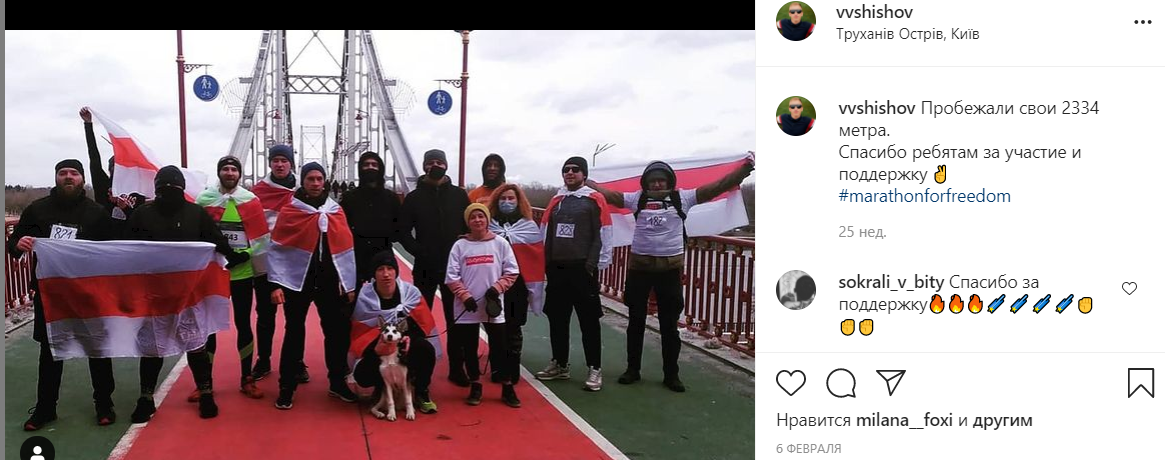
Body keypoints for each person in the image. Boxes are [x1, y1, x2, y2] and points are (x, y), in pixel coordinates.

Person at [588, 156, 754, 392]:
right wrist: (588, 182)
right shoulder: (637, 199)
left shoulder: (682, 198)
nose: (657, 184)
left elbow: (718, 187)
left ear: (669, 181)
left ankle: (671, 375)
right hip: (639, 270)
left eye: (661, 180)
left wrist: (744, 169)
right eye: (653, 181)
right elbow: (610, 195)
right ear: (646, 183)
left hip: (669, 271)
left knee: (669, 326)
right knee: (635, 323)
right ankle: (632, 370)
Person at [125, 166, 248, 421]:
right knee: (153, 349)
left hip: (189, 294)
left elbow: (216, 241)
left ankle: (205, 393)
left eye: (173, 187)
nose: (169, 191)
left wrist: (234, 256)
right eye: (165, 187)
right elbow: (125, 246)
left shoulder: (194, 213)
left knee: (196, 345)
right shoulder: (143, 214)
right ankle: (146, 398)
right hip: (155, 295)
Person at [8, 159, 116, 430]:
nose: (68, 177)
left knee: (97, 349)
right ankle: (45, 408)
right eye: (63, 173)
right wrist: (18, 243)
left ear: (82, 179)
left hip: (88, 294)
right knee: (50, 351)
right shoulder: (37, 210)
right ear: (56, 177)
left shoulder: (97, 212)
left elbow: (115, 249)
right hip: (51, 294)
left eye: (74, 173)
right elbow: (14, 243)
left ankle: (104, 404)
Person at [267, 162, 359, 409]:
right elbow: (277, 249)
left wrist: (348, 284)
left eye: (319, 179)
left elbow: (346, 249)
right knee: (294, 332)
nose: (316, 183)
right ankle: (287, 387)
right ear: (303, 181)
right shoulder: (291, 210)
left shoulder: (335, 211)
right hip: (298, 281)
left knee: (336, 332)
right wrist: (275, 284)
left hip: (329, 281)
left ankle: (337, 382)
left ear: (325, 181)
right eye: (311, 179)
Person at [534, 157, 612, 392]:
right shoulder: (556, 200)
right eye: (566, 170)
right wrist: (546, 263)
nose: (570, 173)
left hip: (582, 270)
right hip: (557, 269)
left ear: (584, 174)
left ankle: (595, 368)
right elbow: (545, 232)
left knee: (589, 321)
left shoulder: (594, 199)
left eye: (575, 169)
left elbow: (603, 232)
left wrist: (593, 264)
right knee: (557, 319)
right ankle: (560, 364)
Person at [194, 156, 269, 401]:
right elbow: (197, 235)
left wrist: (245, 254)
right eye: (225, 169)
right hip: (212, 272)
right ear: (219, 173)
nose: (229, 173)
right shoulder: (204, 200)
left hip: (242, 274)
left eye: (233, 169)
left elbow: (260, 238)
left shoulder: (251, 200)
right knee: (209, 328)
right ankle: (204, 383)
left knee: (244, 324)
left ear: (239, 173)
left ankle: (247, 378)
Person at [399, 149, 471, 385]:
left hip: (454, 269)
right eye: (431, 162)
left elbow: (470, 228)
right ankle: (416, 367)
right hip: (425, 267)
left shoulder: (459, 196)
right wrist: (420, 251)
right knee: (419, 318)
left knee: (455, 319)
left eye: (440, 162)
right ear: (424, 167)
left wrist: (463, 251)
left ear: (446, 165)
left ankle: (457, 367)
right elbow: (403, 232)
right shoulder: (414, 198)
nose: (435, 166)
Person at [445, 203, 520, 407]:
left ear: (487, 220)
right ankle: (475, 385)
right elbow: (451, 276)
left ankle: (507, 387)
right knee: (469, 348)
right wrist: (464, 296)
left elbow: (512, 271)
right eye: (473, 217)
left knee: (500, 348)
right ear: (467, 222)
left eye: (481, 216)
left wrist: (497, 288)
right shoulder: (459, 246)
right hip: (466, 307)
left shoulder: (500, 243)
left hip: (492, 306)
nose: (477, 220)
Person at [348, 250, 439, 414]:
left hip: (404, 347)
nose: (386, 274)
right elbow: (360, 334)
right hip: (379, 348)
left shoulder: (411, 293)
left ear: (396, 272)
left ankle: (421, 390)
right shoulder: (364, 298)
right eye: (380, 269)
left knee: (425, 348)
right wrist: (376, 349)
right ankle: (381, 386)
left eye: (390, 269)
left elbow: (422, 325)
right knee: (362, 374)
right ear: (374, 274)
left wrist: (407, 339)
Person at [250, 144, 308, 384]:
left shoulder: (303, 191)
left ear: (291, 163)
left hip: (295, 263)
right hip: (266, 262)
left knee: (296, 318)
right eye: (276, 160)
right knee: (265, 316)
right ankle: (263, 360)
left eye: (284, 160)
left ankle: (297, 362)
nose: (280, 164)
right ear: (270, 163)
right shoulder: (257, 193)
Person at [486, 184, 545, 387]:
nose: (507, 202)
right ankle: (497, 366)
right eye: (503, 198)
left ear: (519, 201)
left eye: (511, 198)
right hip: (493, 284)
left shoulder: (528, 226)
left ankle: (512, 367)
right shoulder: (489, 224)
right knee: (494, 325)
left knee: (513, 326)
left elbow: (536, 256)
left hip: (518, 285)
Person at [340, 151, 404, 284]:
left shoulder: (391, 198)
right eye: (366, 164)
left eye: (374, 165)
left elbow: (399, 226)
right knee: (353, 293)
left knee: (384, 293)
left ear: (380, 169)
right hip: (355, 254)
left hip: (383, 254)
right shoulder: (348, 198)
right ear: (360, 169)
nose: (370, 168)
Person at [81, 106, 144, 234]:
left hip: (130, 238)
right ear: (110, 170)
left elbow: (141, 219)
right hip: (104, 236)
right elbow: (94, 158)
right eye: (115, 168)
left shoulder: (138, 188)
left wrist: (125, 207)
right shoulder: (103, 183)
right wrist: (88, 125)